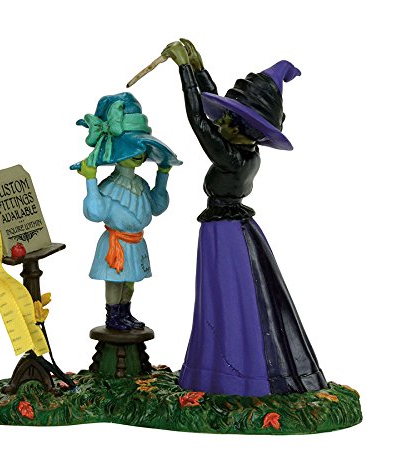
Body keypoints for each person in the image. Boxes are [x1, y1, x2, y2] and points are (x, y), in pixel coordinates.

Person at [161, 39, 327, 396]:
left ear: (241, 130)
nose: (220, 120)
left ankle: (233, 373)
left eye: (227, 119)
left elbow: (198, 120)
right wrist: (199, 67)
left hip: (224, 232)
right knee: (232, 295)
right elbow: (213, 114)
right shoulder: (245, 150)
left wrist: (184, 71)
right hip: (234, 228)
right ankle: (223, 370)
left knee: (226, 296)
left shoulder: (232, 158)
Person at [70, 92, 182, 331]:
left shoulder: (141, 184)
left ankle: (125, 313)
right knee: (115, 280)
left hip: (135, 241)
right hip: (116, 243)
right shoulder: (109, 187)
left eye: (141, 148)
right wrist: (90, 180)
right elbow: (95, 212)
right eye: (131, 148)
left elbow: (157, 207)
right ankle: (113, 316)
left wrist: (163, 174)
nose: (139, 154)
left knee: (130, 281)